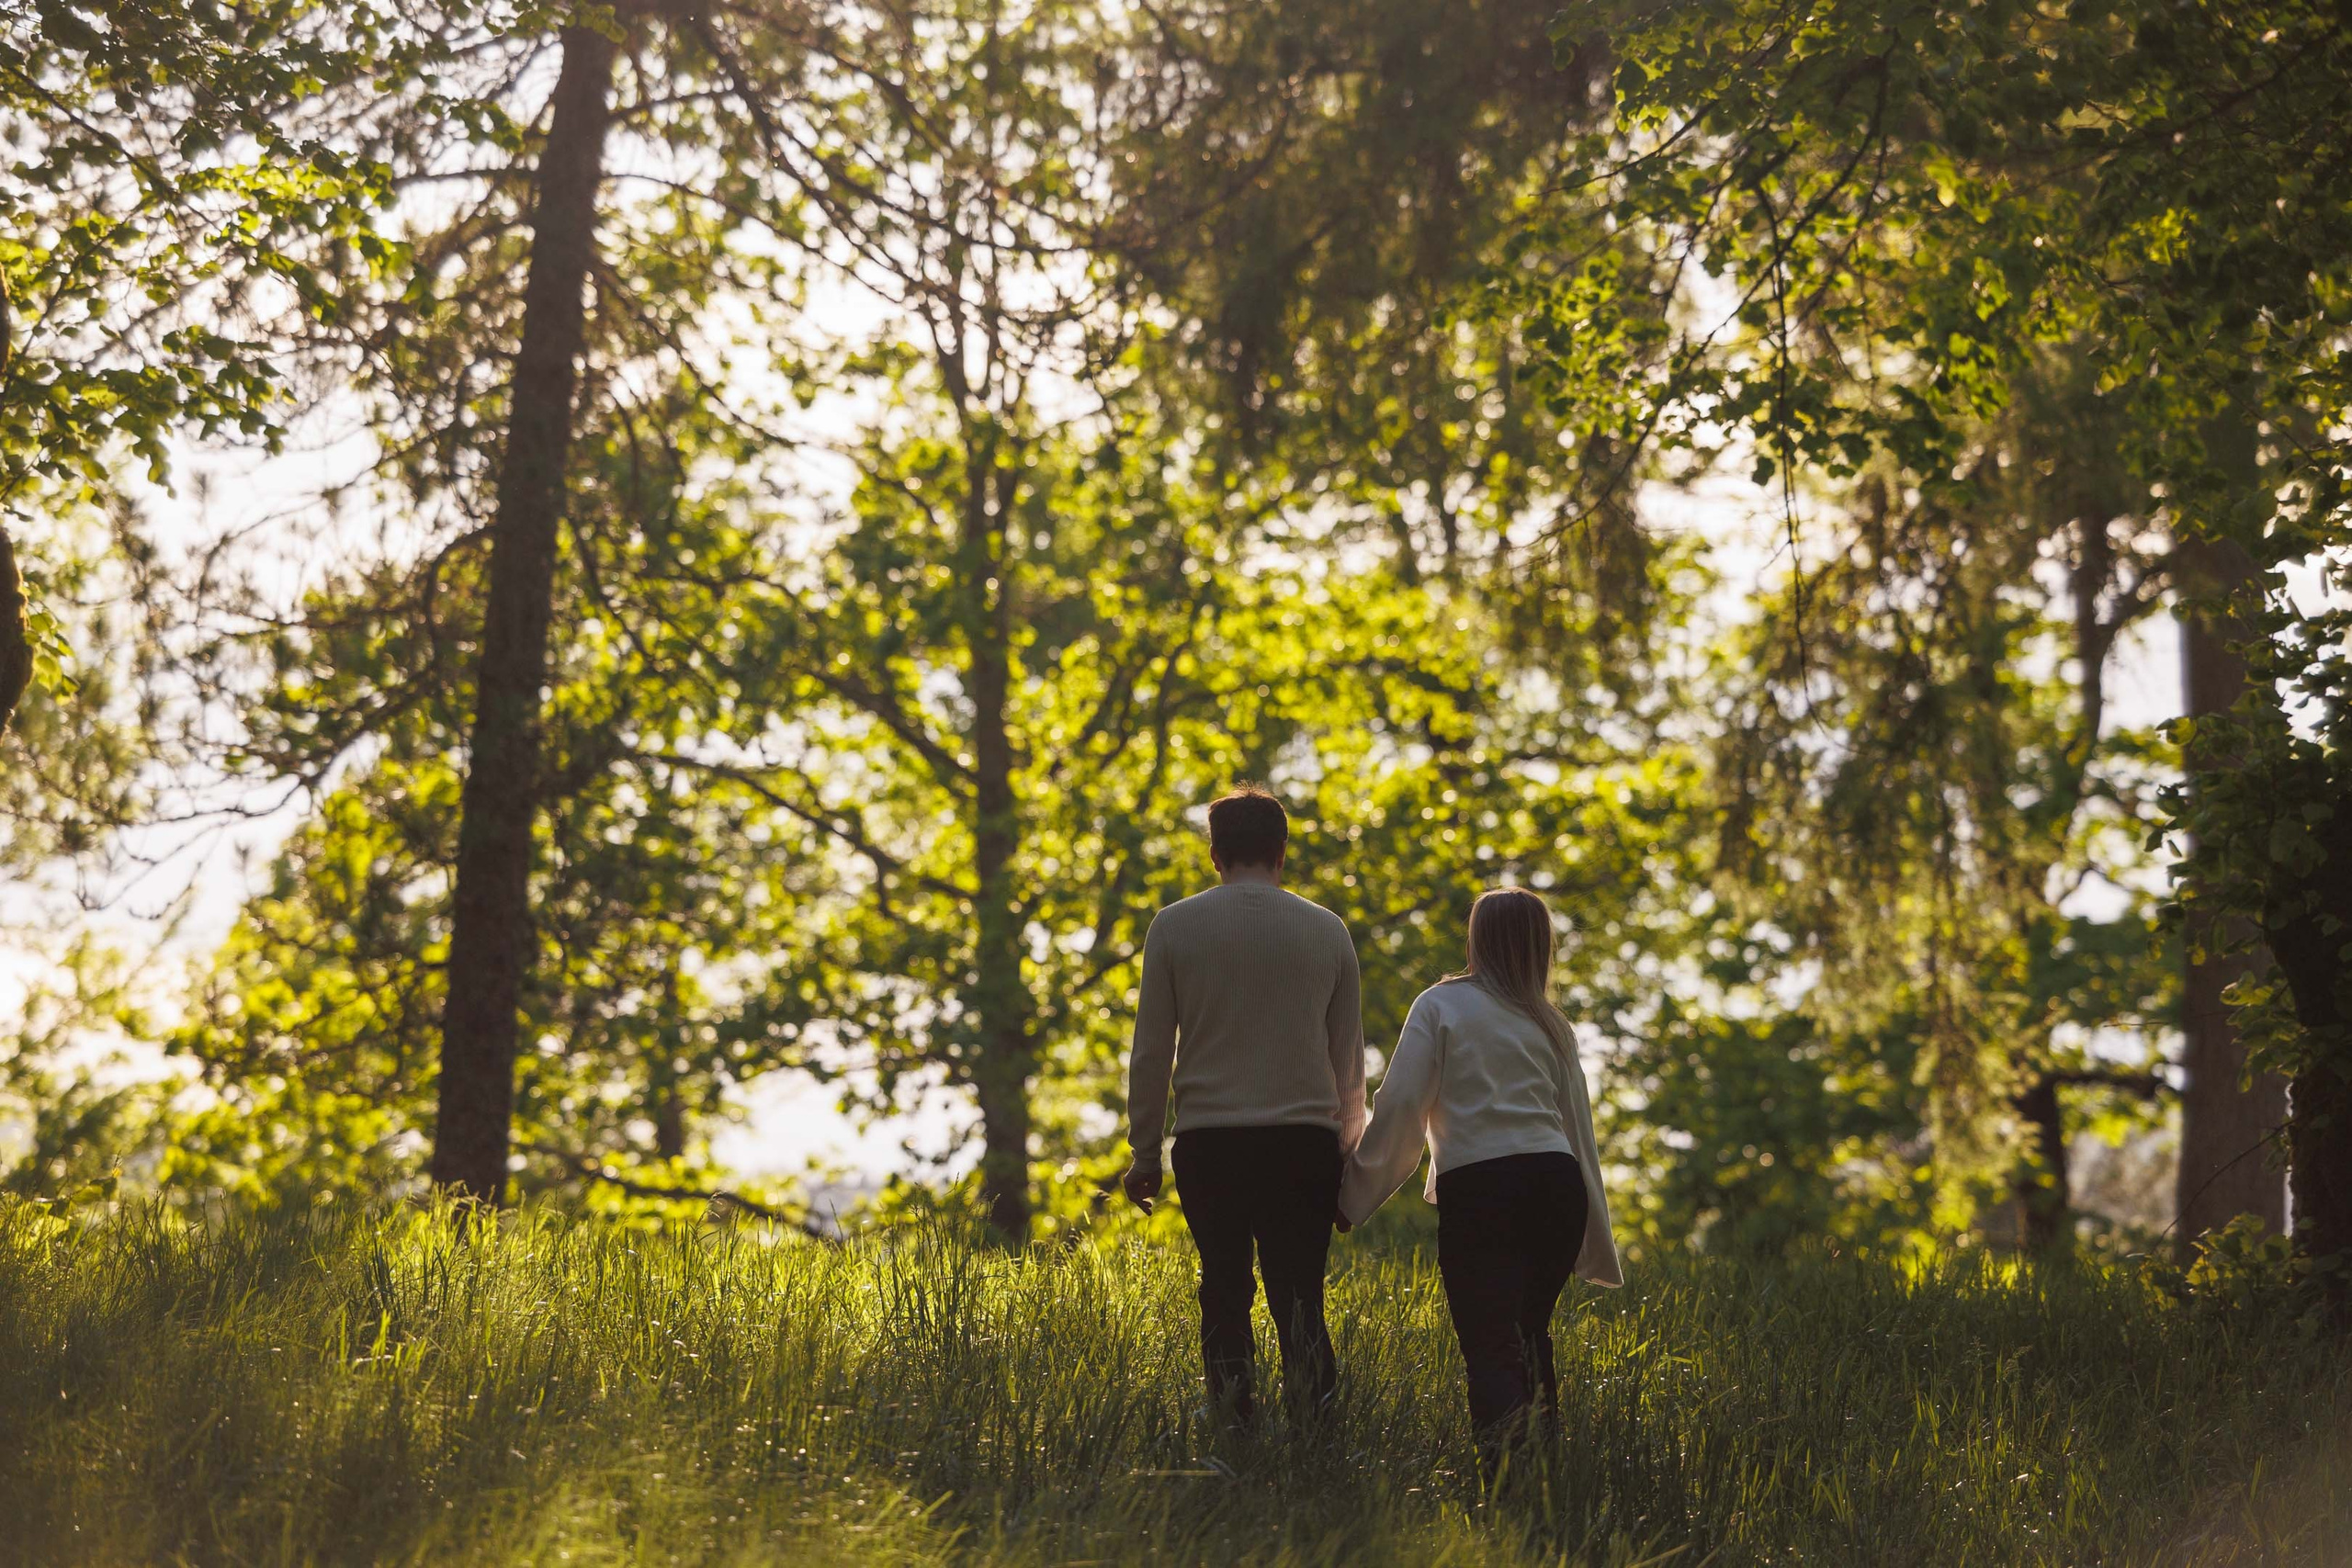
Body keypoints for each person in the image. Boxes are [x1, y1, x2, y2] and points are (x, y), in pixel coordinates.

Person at [1337, 886, 1621, 1472]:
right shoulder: (1550, 1023)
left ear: (1477, 938)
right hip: (1555, 1186)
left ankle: (1509, 1485)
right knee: (1529, 1334)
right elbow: (1578, 1131)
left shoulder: (1440, 1006)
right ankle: (1544, 1481)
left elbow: (1402, 1104)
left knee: (1491, 1344)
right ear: (1541, 946)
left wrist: (1351, 1197)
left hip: (1485, 1189)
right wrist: (1596, 1234)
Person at [1122, 785, 1366, 1427]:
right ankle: (1317, 1427)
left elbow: (1151, 1052)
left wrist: (1145, 1151)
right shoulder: (1328, 930)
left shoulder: (1173, 926)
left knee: (1224, 1287)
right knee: (1300, 1294)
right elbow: (1349, 1067)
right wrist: (1351, 1162)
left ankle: (1232, 1418)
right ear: (1281, 851)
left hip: (1212, 1139)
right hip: (1305, 1141)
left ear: (1215, 854)